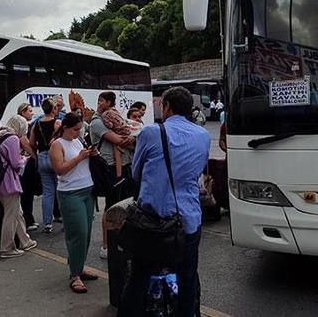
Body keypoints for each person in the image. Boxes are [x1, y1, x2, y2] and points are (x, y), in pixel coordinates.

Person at [119, 86, 210, 316]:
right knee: (187, 279)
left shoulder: (151, 132)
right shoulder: (203, 135)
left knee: (139, 278)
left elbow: (137, 172)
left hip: (154, 223)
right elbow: (198, 170)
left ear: (167, 106)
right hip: (188, 221)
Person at [50, 112, 99, 293]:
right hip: (70, 192)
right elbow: (60, 170)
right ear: (65, 127)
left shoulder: (78, 141)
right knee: (78, 232)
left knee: (86, 233)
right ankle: (75, 274)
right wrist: (80, 157)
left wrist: (90, 154)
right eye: (75, 129)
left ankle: (79, 266)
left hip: (87, 188)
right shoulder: (57, 144)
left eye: (80, 129)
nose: (78, 132)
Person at [90, 91, 135, 259]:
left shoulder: (112, 116)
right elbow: (118, 139)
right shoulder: (96, 122)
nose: (99, 103)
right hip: (109, 168)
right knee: (111, 207)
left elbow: (126, 135)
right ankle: (106, 245)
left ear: (109, 103)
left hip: (124, 166)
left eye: (102, 100)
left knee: (127, 206)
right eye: (99, 100)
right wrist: (129, 138)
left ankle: (123, 241)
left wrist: (130, 138)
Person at [0, 126, 37, 258]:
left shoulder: (0, 137)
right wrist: (25, 159)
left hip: (0, 181)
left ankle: (25, 241)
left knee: (17, 212)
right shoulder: (12, 138)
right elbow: (16, 163)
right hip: (8, 181)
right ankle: (7, 248)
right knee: (11, 215)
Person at [29, 97, 61, 233]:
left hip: (42, 157)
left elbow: (31, 142)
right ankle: (64, 218)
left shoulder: (36, 124)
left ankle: (48, 222)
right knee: (60, 190)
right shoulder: (57, 123)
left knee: (48, 192)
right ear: (54, 109)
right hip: (56, 156)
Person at [9, 103, 39, 230]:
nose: (32, 113)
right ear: (22, 112)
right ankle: (28, 220)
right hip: (23, 166)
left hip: (21, 166)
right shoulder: (21, 128)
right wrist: (35, 157)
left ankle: (27, 220)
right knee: (26, 193)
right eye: (30, 111)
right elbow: (26, 144)